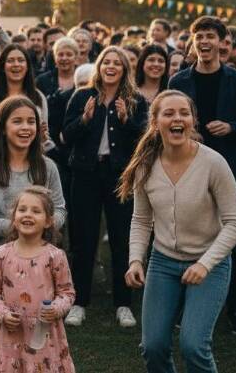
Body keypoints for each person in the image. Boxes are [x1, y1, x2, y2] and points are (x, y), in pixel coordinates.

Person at [122, 90, 236, 372]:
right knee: (153, 347)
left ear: (192, 121)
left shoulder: (214, 163)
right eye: (168, 113)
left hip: (208, 264)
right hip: (162, 262)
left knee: (193, 346)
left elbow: (235, 221)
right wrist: (136, 260)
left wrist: (205, 263)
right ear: (155, 122)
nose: (177, 118)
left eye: (184, 113)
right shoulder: (145, 166)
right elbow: (141, 219)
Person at [170, 16, 236, 334]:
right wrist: (187, 132)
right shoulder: (178, 82)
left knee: (231, 240)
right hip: (186, 169)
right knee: (184, 240)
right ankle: (182, 310)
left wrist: (232, 126)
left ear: (222, 42)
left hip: (228, 169)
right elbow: (166, 124)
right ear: (193, 42)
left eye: (210, 36)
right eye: (199, 37)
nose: (205, 42)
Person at [62, 46, 148, 328]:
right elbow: (67, 135)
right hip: (85, 174)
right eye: (106, 62)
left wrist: (125, 120)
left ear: (124, 69)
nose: (111, 67)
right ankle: (79, 302)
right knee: (83, 241)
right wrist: (85, 119)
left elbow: (143, 140)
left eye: (117, 63)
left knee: (122, 240)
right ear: (99, 67)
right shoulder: (82, 95)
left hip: (119, 177)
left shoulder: (135, 100)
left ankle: (123, 303)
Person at [0, 186, 75, 373]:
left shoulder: (55, 256)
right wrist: (3, 313)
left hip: (43, 336)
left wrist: (56, 309)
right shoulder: (1, 254)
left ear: (48, 221)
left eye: (36, 211)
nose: (27, 214)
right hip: (9, 334)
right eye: (22, 210)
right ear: (13, 218)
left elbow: (67, 292)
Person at [0, 96, 67, 270]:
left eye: (31, 122)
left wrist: (44, 224)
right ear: (2, 129)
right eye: (17, 121)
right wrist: (18, 225)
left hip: (41, 259)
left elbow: (59, 209)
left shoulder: (48, 167)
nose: (25, 127)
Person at [0, 44, 49, 153]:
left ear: (27, 67)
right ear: (2, 67)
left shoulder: (38, 96)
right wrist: (7, 138)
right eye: (10, 60)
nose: (16, 64)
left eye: (21, 60)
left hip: (30, 163)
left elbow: (43, 138)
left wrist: (42, 138)